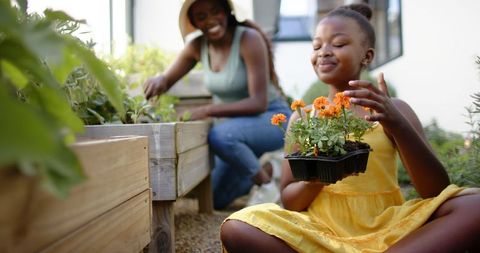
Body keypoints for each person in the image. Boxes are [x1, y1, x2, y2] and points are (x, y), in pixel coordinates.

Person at [220, 3, 480, 252]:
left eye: (339, 43)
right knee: (237, 227)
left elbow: (435, 189)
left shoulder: (392, 108)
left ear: (367, 56)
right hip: (321, 231)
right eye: (317, 46)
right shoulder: (303, 118)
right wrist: (320, 176)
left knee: (474, 204)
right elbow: (290, 200)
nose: (324, 51)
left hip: (388, 227)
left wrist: (396, 124)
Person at [143, 0, 291, 210]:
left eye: (215, 11)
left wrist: (207, 110)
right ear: (194, 22)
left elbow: (258, 102)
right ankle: (269, 169)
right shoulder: (197, 46)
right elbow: (167, 79)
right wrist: (159, 80)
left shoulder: (248, 38)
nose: (211, 20)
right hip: (237, 131)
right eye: (201, 16)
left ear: (227, 11)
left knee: (221, 135)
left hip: (273, 120)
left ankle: (266, 184)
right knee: (216, 197)